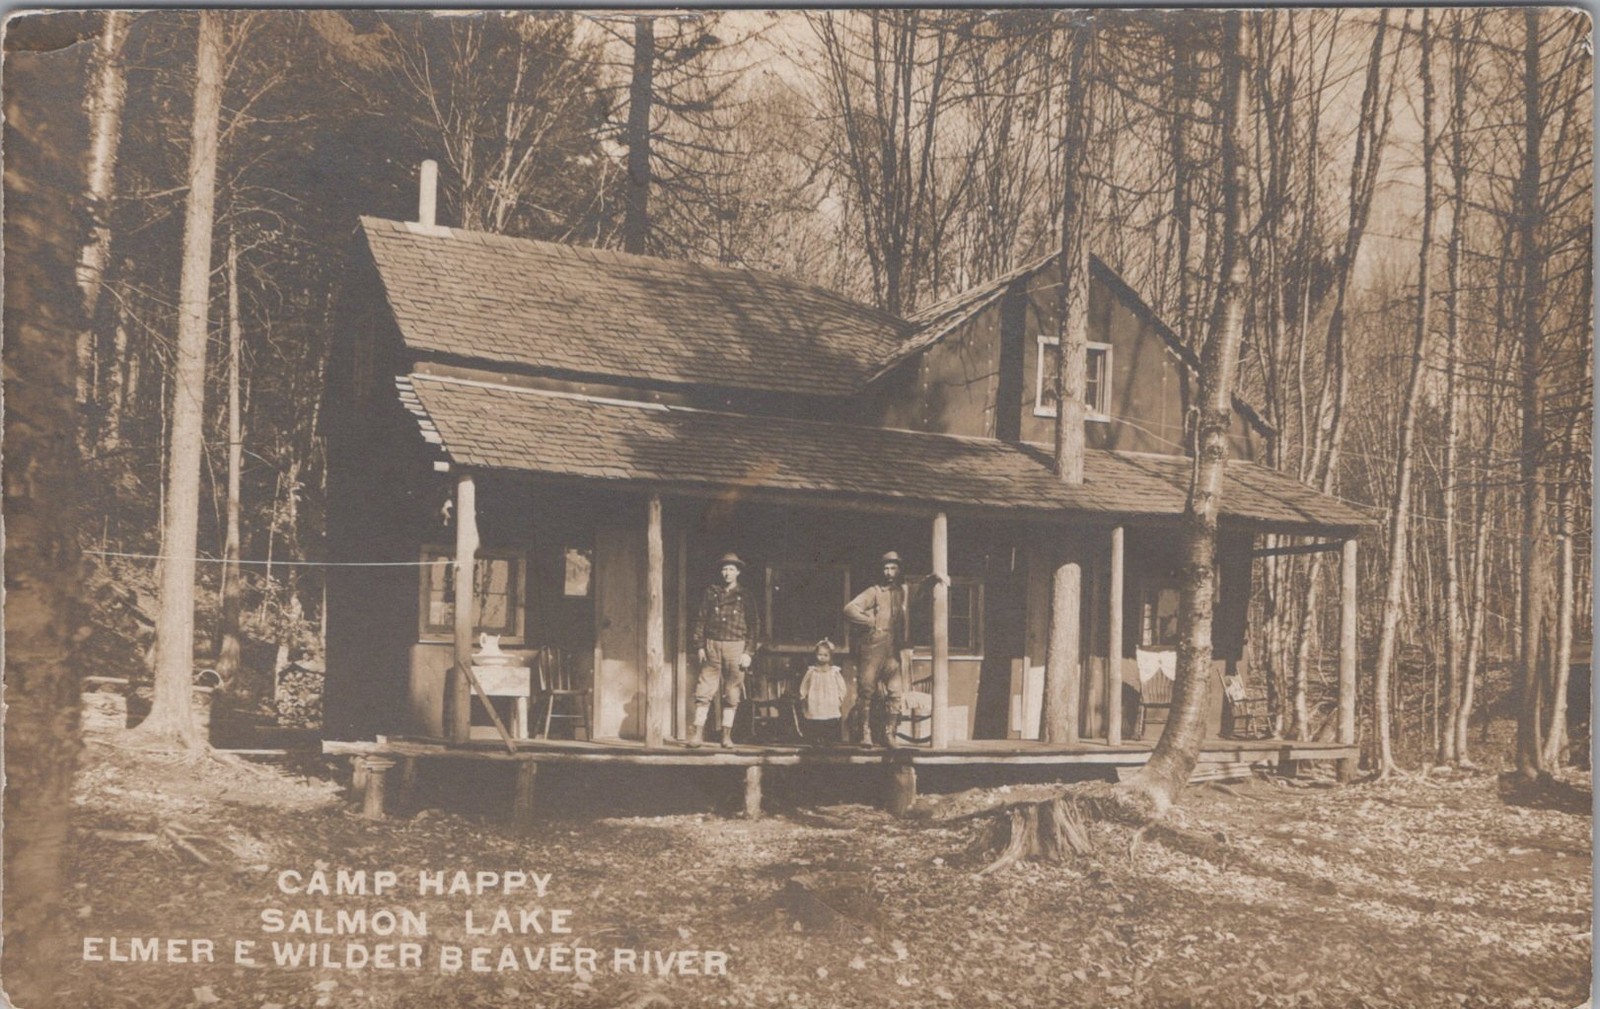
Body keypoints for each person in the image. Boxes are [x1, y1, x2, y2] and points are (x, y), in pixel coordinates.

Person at [842, 551, 943, 747]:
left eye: (893, 568)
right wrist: (869, 621)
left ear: (899, 569)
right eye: (885, 568)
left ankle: (890, 734)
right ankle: (865, 734)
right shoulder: (874, 592)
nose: (889, 572)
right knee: (867, 690)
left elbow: (921, 591)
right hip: (873, 646)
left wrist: (934, 578)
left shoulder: (904, 592)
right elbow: (849, 609)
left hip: (895, 648)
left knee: (895, 692)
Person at [689, 553, 761, 748]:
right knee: (704, 690)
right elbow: (701, 619)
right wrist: (700, 645)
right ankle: (697, 735)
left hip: (736, 646)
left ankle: (726, 736)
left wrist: (748, 652)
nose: (727, 573)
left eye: (731, 569)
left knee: (732, 692)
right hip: (712, 645)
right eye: (724, 569)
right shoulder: (712, 593)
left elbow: (754, 626)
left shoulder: (745, 596)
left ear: (738, 572)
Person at [797, 639, 848, 746]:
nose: (822, 657)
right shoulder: (811, 671)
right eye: (820, 654)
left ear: (830, 656)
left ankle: (828, 739)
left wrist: (839, 698)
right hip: (816, 699)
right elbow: (804, 685)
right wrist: (803, 696)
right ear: (815, 655)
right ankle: (816, 738)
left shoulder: (834, 672)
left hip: (830, 700)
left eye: (826, 655)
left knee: (829, 720)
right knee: (816, 718)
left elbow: (841, 686)